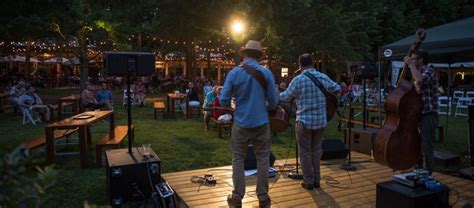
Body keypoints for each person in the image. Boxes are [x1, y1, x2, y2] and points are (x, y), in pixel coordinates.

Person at [220, 40, 278, 208]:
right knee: (262, 159)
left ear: (244, 54)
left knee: (238, 159)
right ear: (259, 55)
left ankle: (237, 197)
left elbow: (223, 100)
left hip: (241, 123)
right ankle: (263, 198)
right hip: (261, 123)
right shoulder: (266, 74)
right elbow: (274, 102)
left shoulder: (234, 73)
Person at [280, 53, 340, 190]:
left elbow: (285, 97)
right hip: (321, 121)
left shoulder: (298, 80)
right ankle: (317, 179)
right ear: (313, 63)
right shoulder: (322, 77)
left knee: (305, 152)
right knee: (316, 150)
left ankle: (309, 181)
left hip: (304, 121)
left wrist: (275, 95)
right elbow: (337, 88)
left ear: (300, 65)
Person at [404, 50, 438, 174]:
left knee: (426, 143)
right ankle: (418, 169)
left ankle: (429, 172)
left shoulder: (429, 69)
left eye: (413, 59)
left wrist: (410, 65)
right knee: (416, 142)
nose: (411, 61)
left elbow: (419, 80)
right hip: (418, 114)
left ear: (421, 60)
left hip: (428, 114)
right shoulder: (416, 71)